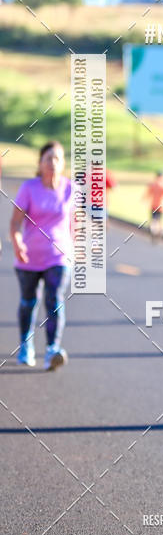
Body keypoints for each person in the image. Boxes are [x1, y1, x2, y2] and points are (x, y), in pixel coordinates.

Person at [10, 141, 72, 371]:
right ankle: (26, 345)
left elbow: (75, 224)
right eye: (48, 158)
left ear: (63, 163)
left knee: (54, 300)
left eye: (57, 158)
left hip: (58, 257)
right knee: (28, 301)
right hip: (29, 257)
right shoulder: (29, 188)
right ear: (40, 163)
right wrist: (17, 244)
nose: (53, 163)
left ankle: (52, 350)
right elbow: (16, 222)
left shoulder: (70, 189)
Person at [144, 171, 163, 242]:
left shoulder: (153, 184)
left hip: (154, 205)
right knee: (159, 220)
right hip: (161, 206)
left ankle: (153, 231)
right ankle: (158, 233)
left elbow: (148, 193)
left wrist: (144, 199)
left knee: (153, 220)